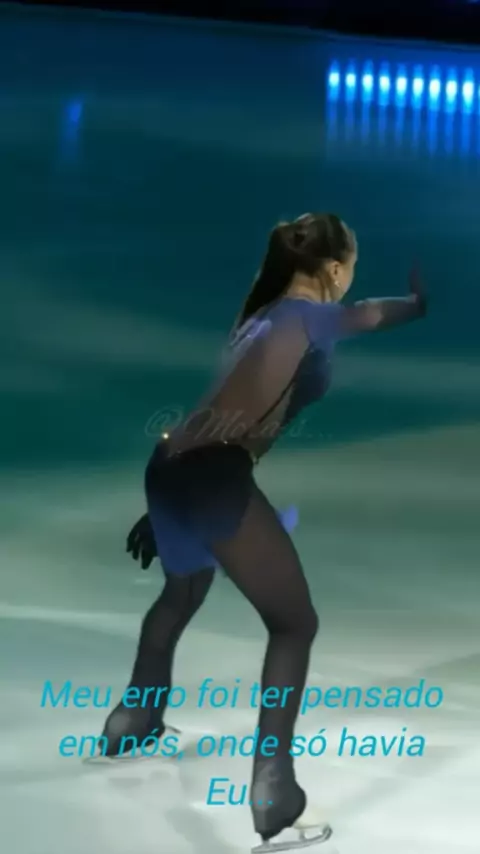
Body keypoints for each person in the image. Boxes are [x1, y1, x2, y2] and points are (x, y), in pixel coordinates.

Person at [101, 213, 427, 851]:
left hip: (171, 468)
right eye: (351, 268)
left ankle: (132, 723)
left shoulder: (258, 316)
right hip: (212, 478)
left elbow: (214, 409)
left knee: (181, 594)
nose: (350, 280)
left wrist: (163, 503)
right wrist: (419, 304)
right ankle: (275, 797)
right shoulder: (308, 316)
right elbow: (372, 315)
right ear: (333, 269)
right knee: (294, 624)